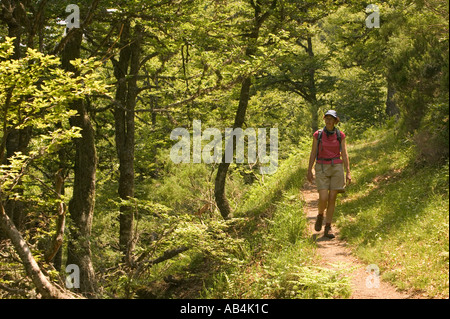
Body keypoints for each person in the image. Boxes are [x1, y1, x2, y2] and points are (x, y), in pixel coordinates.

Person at [307, 110, 351, 239]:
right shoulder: (318, 135)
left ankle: (328, 227)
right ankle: (320, 214)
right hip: (321, 167)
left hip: (336, 167)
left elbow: (345, 153)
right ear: (324, 119)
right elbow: (313, 152)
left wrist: (348, 171)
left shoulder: (340, 135)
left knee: (332, 198)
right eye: (327, 118)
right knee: (323, 197)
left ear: (336, 120)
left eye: (331, 118)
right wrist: (309, 170)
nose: (328, 120)